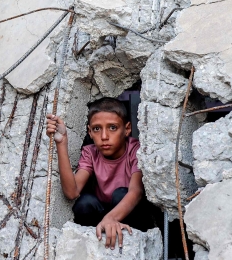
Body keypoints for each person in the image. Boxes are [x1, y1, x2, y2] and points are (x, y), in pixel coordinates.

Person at [46, 97, 153, 249]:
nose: (104, 136)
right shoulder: (90, 152)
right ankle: (95, 241)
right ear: (89, 132)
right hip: (103, 215)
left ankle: (126, 239)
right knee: (84, 203)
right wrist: (62, 143)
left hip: (131, 214)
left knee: (120, 194)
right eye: (97, 129)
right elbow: (72, 192)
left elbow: (136, 191)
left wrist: (111, 218)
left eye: (112, 128)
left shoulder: (135, 150)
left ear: (127, 129)